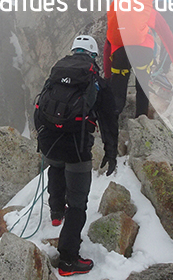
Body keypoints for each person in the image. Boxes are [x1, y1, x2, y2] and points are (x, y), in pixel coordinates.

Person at [34, 35, 119, 276]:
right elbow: (109, 120)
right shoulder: (95, 82)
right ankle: (68, 261)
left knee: (57, 169)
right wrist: (111, 152)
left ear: (73, 52)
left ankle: (55, 213)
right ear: (93, 56)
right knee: (78, 203)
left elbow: (39, 108)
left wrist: (42, 141)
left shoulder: (55, 75)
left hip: (51, 141)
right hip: (76, 145)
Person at [104, 0, 173, 118]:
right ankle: (141, 120)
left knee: (117, 93)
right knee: (142, 88)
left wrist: (108, 75)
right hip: (143, 53)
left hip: (120, 52)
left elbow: (108, 44)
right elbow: (169, 41)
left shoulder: (118, 14)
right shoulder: (150, 12)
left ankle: (114, 123)